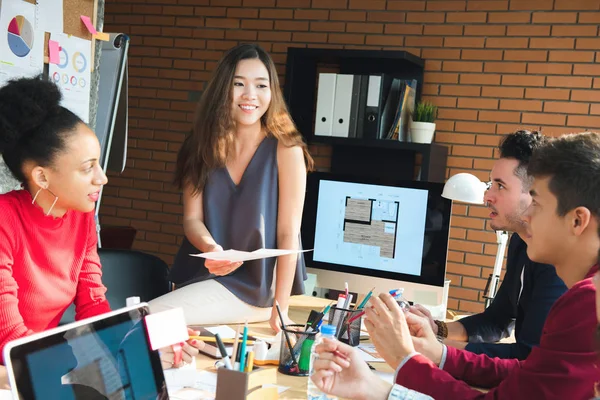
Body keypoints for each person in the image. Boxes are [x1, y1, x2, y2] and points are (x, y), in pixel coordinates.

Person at [311, 132, 600, 399]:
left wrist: (403, 362)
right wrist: (438, 352)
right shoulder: (578, 290)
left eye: (537, 204)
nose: (529, 216)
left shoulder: (586, 303)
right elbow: (528, 371)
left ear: (577, 220)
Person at [0, 77, 202, 373]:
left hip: (37, 365)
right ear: (42, 177)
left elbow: (93, 306)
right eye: (87, 168)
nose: (102, 178)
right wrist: (114, 360)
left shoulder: (81, 217)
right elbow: (10, 338)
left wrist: (143, 347)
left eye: (98, 164)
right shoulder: (5, 220)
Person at [149, 43, 314, 332]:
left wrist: (281, 309)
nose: (250, 95)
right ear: (223, 88)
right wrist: (211, 249)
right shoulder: (199, 144)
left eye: (261, 85)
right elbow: (192, 219)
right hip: (203, 276)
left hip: (256, 285)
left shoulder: (287, 149)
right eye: (239, 84)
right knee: (155, 333)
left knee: (148, 318)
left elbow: (289, 233)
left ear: (272, 93)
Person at [412, 130, 566, 360]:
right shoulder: (520, 242)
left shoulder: (556, 259)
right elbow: (497, 320)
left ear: (535, 195)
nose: (487, 197)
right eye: (490, 184)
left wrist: (439, 351)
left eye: (500, 186)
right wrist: (437, 330)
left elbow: (528, 356)